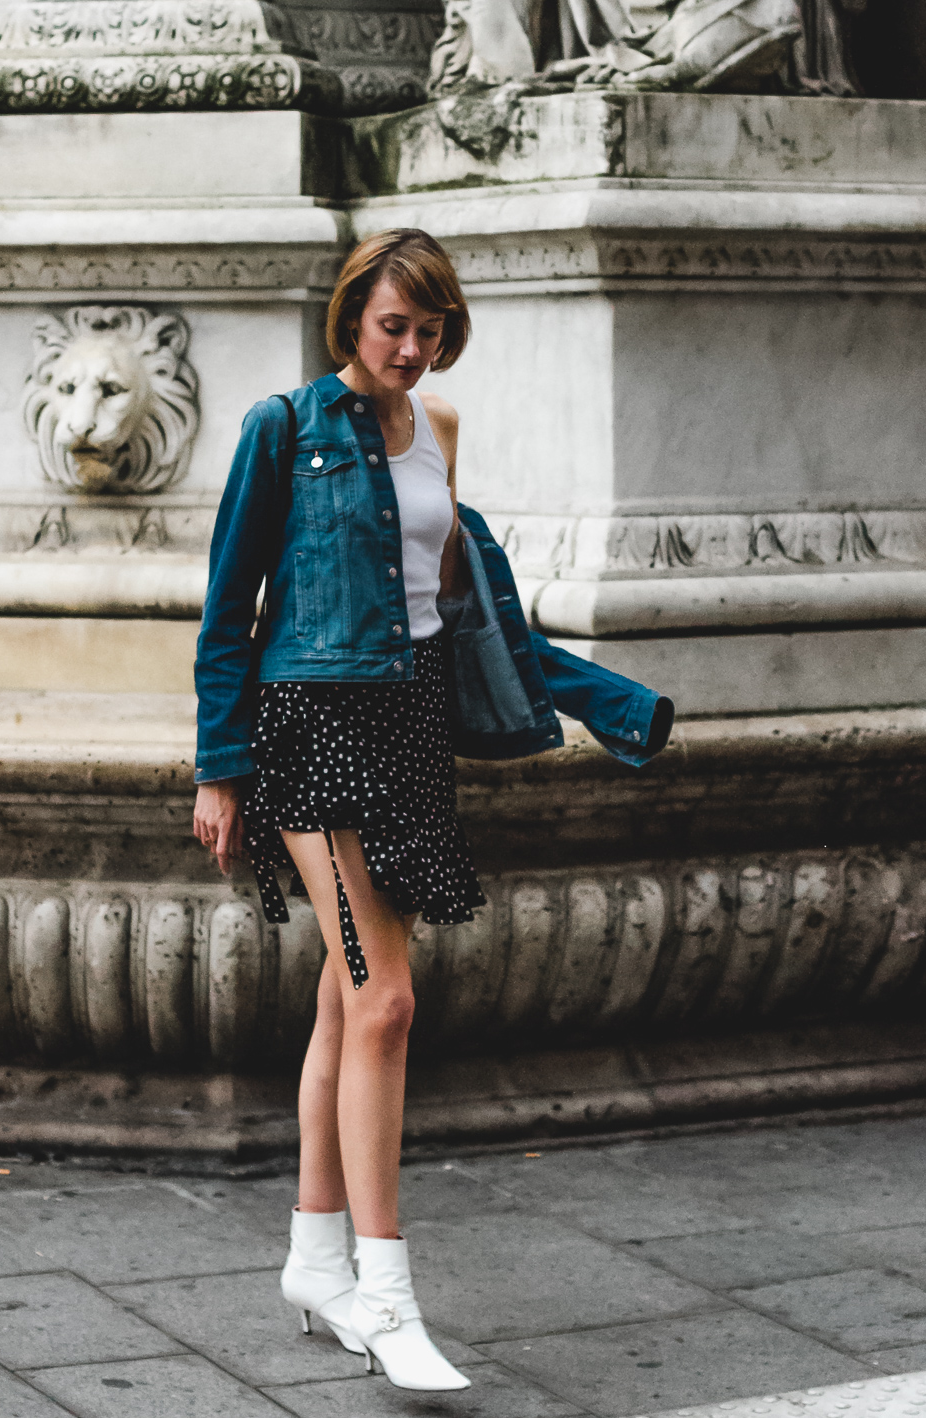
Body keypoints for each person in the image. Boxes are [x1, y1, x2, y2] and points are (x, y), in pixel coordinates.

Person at [192, 227, 672, 1391]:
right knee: (385, 997)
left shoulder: (438, 433)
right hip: (312, 730)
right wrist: (219, 767)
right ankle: (387, 1292)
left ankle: (314, 1256)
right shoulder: (285, 430)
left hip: (405, 728)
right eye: (393, 325)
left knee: (342, 1003)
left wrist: (598, 699)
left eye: (431, 327)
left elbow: (463, 613)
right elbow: (227, 605)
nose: (413, 348)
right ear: (351, 319)